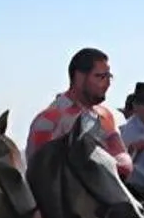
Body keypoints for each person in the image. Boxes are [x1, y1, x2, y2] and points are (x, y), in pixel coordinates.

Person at [27, 48, 132, 176]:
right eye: (100, 77)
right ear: (79, 77)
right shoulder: (49, 120)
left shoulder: (105, 116)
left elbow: (120, 153)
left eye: (109, 76)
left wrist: (120, 163)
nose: (107, 83)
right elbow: (40, 170)